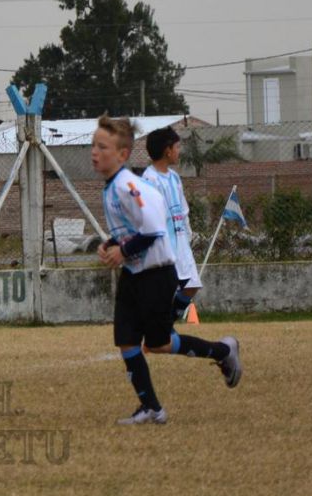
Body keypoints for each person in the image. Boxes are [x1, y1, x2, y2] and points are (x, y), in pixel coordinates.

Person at [92, 115, 241, 426]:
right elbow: (130, 229)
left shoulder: (130, 186)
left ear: (122, 154)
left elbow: (154, 228)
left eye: (102, 147)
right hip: (135, 274)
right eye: (94, 145)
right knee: (127, 341)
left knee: (158, 343)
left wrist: (123, 250)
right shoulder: (112, 187)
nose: (95, 152)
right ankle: (152, 408)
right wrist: (109, 243)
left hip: (156, 274)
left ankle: (222, 350)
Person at [142, 126, 201, 323]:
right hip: (164, 245)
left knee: (191, 285)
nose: (179, 151)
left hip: (180, 241)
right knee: (163, 291)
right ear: (167, 150)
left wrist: (188, 231)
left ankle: (167, 322)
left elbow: (183, 208)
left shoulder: (174, 178)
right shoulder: (150, 179)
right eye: (177, 146)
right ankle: (156, 327)